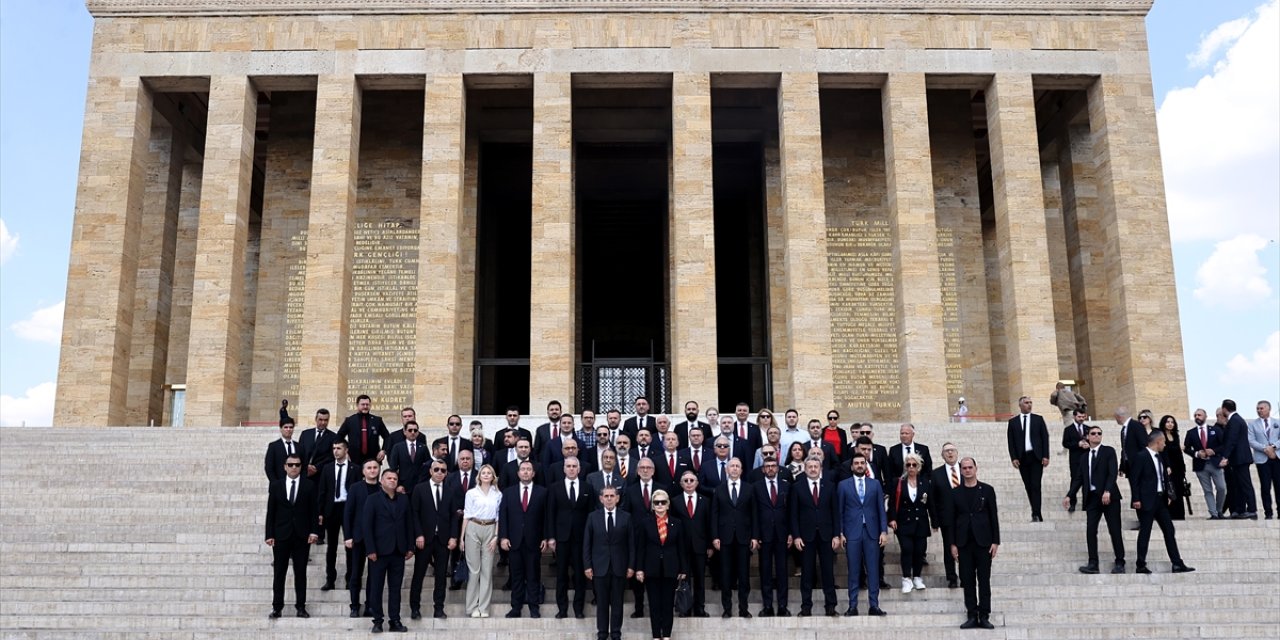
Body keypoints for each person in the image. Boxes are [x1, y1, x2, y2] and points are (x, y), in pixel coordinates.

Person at [1128, 431, 1195, 574]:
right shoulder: (1141, 456)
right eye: (1163, 441)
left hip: (1161, 500)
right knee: (1145, 532)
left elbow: (1163, 477)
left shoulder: (1159, 457)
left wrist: (1168, 493)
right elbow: (1134, 480)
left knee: (1169, 530)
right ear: (1158, 441)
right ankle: (1141, 564)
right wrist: (1136, 499)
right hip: (1146, 501)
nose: (1165, 444)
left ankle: (1177, 563)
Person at [1063, 425, 1126, 574]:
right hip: (1091, 499)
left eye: (1099, 433)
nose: (1097, 435)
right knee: (1091, 530)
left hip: (1109, 498)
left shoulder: (1108, 451)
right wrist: (1069, 495)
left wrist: (1107, 490)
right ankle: (1093, 563)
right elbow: (1078, 479)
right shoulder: (1084, 457)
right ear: (1087, 437)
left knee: (1115, 530)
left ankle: (1120, 562)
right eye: (1093, 433)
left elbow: (1112, 473)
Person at [264, 453, 319, 619]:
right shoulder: (276, 485)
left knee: (300, 572)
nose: (294, 467)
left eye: (297, 464)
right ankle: (277, 607)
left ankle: (300, 607)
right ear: (284, 467)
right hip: (281, 535)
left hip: (302, 535)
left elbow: (314, 511)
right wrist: (269, 534)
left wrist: (314, 531)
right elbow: (271, 511)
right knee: (279, 573)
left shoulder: (309, 485)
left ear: (301, 467)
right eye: (290, 465)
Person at [361, 468, 415, 633]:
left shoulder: (404, 500)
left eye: (395, 478)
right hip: (378, 552)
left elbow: (409, 524)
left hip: (398, 551)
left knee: (395, 588)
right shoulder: (372, 500)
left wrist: (410, 547)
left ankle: (395, 620)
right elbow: (367, 526)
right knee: (376, 587)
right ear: (381, 481)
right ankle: (377, 620)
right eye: (389, 478)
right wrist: (370, 549)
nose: (392, 480)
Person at [948, 457, 999, 630]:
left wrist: (995, 541)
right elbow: (951, 521)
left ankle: (984, 615)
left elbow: (994, 516)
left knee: (984, 580)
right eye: (965, 468)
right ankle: (971, 614)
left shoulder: (987, 490)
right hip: (963, 543)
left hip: (983, 542)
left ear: (976, 468)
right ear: (960, 470)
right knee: (967, 580)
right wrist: (953, 544)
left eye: (970, 467)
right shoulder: (955, 493)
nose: (968, 470)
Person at [837, 453, 888, 616]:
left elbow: (881, 508)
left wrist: (884, 531)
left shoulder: (875, 484)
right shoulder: (843, 485)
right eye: (856, 463)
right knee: (853, 570)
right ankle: (853, 606)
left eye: (862, 463)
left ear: (866, 466)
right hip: (852, 532)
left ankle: (874, 605)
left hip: (872, 532)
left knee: (873, 569)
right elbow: (839, 511)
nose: (859, 465)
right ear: (852, 466)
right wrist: (841, 532)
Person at [635, 489, 688, 640]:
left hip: (671, 568)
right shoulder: (645, 523)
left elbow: (681, 547)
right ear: (652, 505)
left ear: (668, 504)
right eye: (656, 502)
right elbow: (641, 548)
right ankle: (656, 635)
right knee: (654, 604)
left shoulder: (677, 523)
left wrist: (683, 568)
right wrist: (639, 569)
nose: (659, 505)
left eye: (662, 502)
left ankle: (666, 635)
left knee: (667, 604)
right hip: (651, 569)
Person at [583, 486, 635, 640]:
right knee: (602, 603)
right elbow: (587, 543)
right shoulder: (593, 517)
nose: (609, 498)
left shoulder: (626, 517)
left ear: (618, 498)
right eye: (606, 496)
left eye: (612, 496)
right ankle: (602, 633)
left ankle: (616, 633)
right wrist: (587, 566)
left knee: (617, 603)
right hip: (599, 567)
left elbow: (631, 544)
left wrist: (631, 565)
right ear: (601, 499)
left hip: (620, 566)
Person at [409, 460, 458, 620]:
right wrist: (418, 534)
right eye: (436, 469)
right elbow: (414, 514)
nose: (439, 472)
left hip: (443, 540)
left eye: (443, 470)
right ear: (430, 471)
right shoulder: (419, 489)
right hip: (425, 539)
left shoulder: (450, 491)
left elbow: (453, 517)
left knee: (441, 576)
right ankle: (415, 608)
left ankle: (439, 608)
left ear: (446, 473)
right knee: (419, 574)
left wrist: (453, 537)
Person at [790, 458, 840, 617]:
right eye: (809, 467)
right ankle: (806, 607)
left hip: (826, 535)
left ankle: (831, 606)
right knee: (807, 573)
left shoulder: (830, 487)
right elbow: (793, 515)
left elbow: (835, 513)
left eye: (815, 466)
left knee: (828, 572)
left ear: (821, 469)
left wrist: (836, 535)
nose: (812, 469)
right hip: (806, 537)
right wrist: (796, 536)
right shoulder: (797, 488)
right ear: (804, 469)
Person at [547, 456, 594, 619]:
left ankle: (578, 609)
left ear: (579, 469)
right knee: (561, 575)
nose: (572, 468)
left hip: (581, 539)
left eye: (575, 466)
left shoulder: (588, 487)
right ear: (564, 468)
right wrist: (551, 537)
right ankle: (562, 609)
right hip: (561, 538)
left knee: (580, 575)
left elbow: (591, 515)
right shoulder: (555, 487)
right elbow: (550, 513)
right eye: (569, 466)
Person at [711, 458, 756, 618]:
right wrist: (715, 536)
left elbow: (754, 514)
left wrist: (755, 537)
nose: (735, 469)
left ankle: (744, 608)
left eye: (738, 466)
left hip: (744, 538)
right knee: (726, 574)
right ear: (726, 470)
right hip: (724, 538)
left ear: (741, 470)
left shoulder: (749, 489)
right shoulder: (719, 489)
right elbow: (714, 515)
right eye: (732, 466)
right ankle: (727, 609)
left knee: (744, 575)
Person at [318, 440, 359, 592]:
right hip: (332, 509)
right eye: (334, 448)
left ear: (346, 449)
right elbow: (322, 491)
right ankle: (330, 579)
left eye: (339, 448)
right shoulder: (327, 468)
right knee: (331, 547)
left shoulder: (355, 468)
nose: (336, 451)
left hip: (348, 509)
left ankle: (350, 579)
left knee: (350, 546)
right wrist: (320, 512)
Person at [887, 452, 932, 593]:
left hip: (921, 522)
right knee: (907, 549)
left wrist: (935, 521)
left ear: (918, 467)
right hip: (903, 522)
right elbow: (893, 502)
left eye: (914, 465)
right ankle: (906, 578)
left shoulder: (925, 483)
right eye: (908, 465)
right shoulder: (898, 482)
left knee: (919, 551)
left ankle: (917, 577)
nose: (911, 467)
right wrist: (892, 518)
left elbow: (931, 504)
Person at [460, 464, 502, 618]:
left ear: (493, 476)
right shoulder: (471, 493)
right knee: (474, 570)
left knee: (487, 570)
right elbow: (466, 514)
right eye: (483, 472)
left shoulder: (498, 494)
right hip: (473, 527)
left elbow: (499, 517)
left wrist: (496, 536)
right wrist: (461, 538)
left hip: (490, 528)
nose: (485, 475)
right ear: (479, 476)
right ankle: (471, 607)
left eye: (488, 473)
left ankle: (484, 607)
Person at [752, 455, 791, 616]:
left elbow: (791, 512)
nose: (770, 469)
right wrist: (756, 535)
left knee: (782, 571)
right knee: (765, 571)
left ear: (778, 468)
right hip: (764, 535)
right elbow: (754, 513)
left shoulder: (786, 486)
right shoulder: (756, 487)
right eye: (767, 466)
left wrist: (791, 533)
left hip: (782, 534)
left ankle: (782, 605)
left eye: (773, 466)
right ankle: (767, 605)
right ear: (763, 469)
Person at [670, 470, 711, 618]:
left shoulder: (705, 501)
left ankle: (700, 608)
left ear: (697, 483)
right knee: (684, 579)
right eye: (685, 481)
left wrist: (709, 546)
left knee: (700, 579)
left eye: (691, 480)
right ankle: (685, 608)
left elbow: (708, 524)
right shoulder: (675, 501)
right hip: (682, 547)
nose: (688, 483)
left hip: (700, 546)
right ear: (681, 484)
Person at [343, 459, 381, 617]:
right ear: (363, 471)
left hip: (377, 539)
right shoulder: (355, 488)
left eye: (375, 468)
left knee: (374, 575)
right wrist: (348, 536)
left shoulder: (382, 488)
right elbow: (348, 513)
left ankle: (370, 605)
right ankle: (354, 605)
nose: (372, 470)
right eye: (369, 468)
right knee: (355, 573)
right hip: (358, 537)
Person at [1006, 396, 1050, 522]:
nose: (1029, 405)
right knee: (1028, 486)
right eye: (1026, 403)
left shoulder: (1038, 419)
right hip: (1022, 458)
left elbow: (1044, 438)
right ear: (1020, 405)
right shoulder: (1013, 422)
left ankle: (1036, 513)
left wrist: (1046, 455)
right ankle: (1035, 511)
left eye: (1030, 402)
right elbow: (1011, 441)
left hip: (1036, 457)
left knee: (1036, 485)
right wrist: (1013, 457)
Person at [928, 443, 962, 588]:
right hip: (947, 518)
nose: (950, 453)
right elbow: (932, 499)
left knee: (965, 548)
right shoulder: (936, 474)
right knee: (949, 548)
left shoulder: (965, 468)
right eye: (946, 451)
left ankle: (966, 576)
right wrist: (935, 521)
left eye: (952, 450)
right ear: (942, 455)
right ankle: (951, 577)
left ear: (957, 452)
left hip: (966, 517)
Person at [1184, 408, 1227, 519]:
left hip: (1215, 463)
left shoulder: (1215, 430)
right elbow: (1186, 448)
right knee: (1207, 490)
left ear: (1205, 416)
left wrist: (1214, 451)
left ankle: (1219, 510)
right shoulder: (1191, 433)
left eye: (1199, 415)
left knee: (1221, 488)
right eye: (1195, 415)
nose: (1197, 417)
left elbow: (1223, 445)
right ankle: (1213, 514)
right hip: (1200, 465)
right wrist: (1197, 453)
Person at [1221, 399, 1258, 519]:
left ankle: (1252, 509)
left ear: (1224, 409)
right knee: (1238, 485)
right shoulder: (1236, 419)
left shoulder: (1235, 420)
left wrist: (1225, 456)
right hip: (1237, 459)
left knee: (1245, 484)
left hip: (1240, 458)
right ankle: (1240, 509)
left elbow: (1232, 440)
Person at [336, 394, 390, 467]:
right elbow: (339, 436)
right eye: (363, 404)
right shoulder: (350, 420)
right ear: (357, 405)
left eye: (367, 404)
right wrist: (346, 450)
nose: (365, 406)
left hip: (373, 460)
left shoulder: (377, 420)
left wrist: (383, 451)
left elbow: (387, 437)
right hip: (354, 459)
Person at [1249, 400, 1280, 520]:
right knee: (1265, 487)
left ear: (1268, 409)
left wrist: (1273, 447)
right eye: (1257, 408)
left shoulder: (1277, 423)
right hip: (1262, 459)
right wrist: (1265, 449)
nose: (1259, 410)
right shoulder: (1252, 424)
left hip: (1277, 457)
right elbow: (1251, 441)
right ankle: (1268, 512)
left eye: (1261, 408)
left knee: (1278, 485)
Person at [1157, 415, 1187, 520]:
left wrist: (1183, 468)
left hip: (1178, 467)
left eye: (1172, 422)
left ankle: (1179, 515)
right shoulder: (1161, 435)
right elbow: (1163, 452)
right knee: (1169, 491)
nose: (1170, 424)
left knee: (1178, 490)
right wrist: (1167, 465)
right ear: (1163, 423)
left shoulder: (1176, 435)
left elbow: (1179, 453)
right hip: (1168, 467)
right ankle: (1169, 514)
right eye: (1168, 422)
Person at [1061, 409, 1090, 513]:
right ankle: (1072, 503)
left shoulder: (1088, 429)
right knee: (1074, 481)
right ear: (1074, 417)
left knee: (1087, 481)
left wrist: (1089, 445)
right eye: (1079, 417)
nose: (1081, 419)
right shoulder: (1068, 430)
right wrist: (1077, 444)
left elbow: (1095, 441)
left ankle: (1086, 504)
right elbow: (1065, 443)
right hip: (1075, 460)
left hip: (1087, 458)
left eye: (1083, 417)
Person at [386, 421, 427, 493]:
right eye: (410, 430)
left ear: (418, 433)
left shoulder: (423, 447)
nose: (413, 432)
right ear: (405, 432)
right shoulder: (397, 447)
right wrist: (397, 485)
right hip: (403, 486)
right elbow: (393, 468)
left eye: (415, 430)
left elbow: (427, 465)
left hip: (420, 485)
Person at [298, 408, 337, 479]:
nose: (323, 422)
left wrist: (316, 467)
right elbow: (300, 452)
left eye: (326, 420)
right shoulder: (305, 434)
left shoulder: (333, 437)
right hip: (304, 474)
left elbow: (331, 456)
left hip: (321, 475)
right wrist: (306, 466)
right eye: (320, 420)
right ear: (316, 419)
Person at [1115, 407, 1146, 477]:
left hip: (1138, 465)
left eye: (1115, 417)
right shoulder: (1123, 429)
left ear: (1119, 417)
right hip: (1129, 466)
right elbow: (1124, 449)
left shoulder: (1136, 425)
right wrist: (1122, 466)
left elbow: (1143, 445)